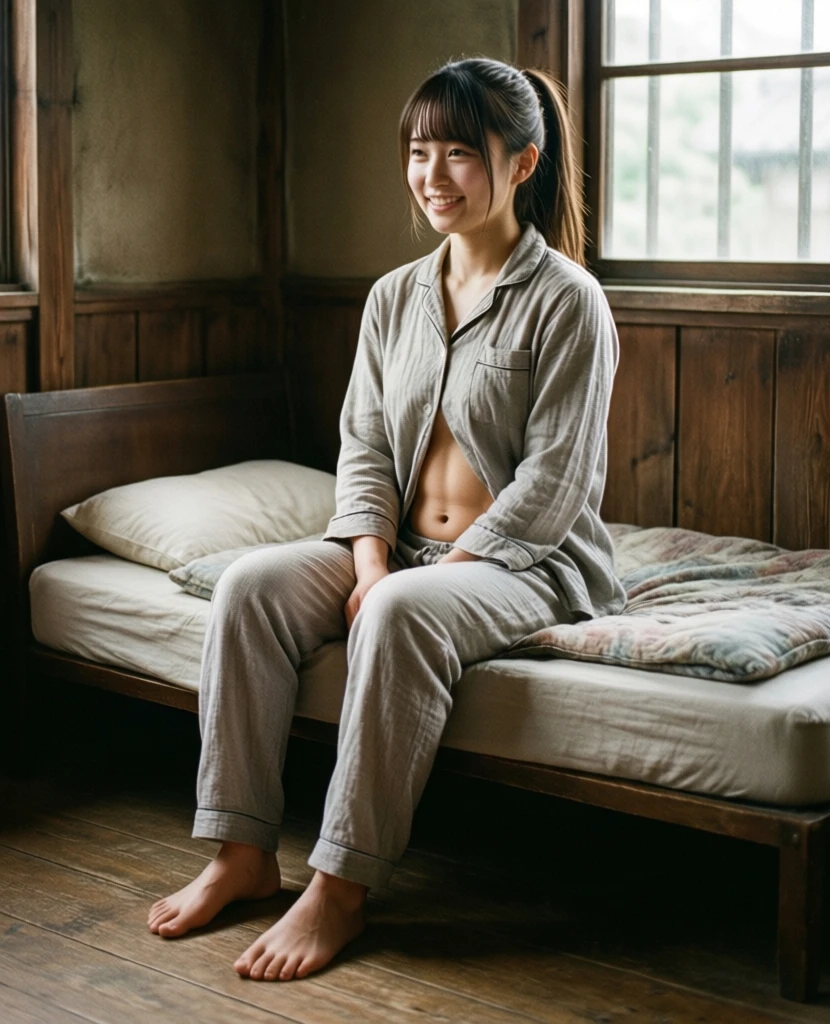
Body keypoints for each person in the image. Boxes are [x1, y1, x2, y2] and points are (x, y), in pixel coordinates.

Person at [147, 56, 625, 982]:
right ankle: (242, 854)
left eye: (458, 152)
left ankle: (340, 888)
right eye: (418, 152)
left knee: (403, 613)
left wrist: (423, 580)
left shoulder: (570, 301)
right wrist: (371, 564)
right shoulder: (391, 297)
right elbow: (363, 448)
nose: (432, 176)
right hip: (400, 547)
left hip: (526, 564)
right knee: (249, 586)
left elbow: (557, 480)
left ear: (522, 163)